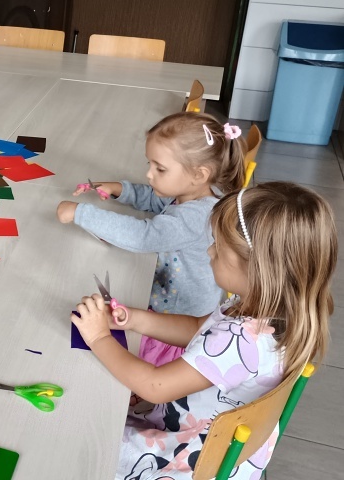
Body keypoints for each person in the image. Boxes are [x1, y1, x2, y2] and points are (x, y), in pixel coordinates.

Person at [72, 182, 336, 479]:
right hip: (219, 442)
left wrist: (98, 337)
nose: (209, 251)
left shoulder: (240, 340)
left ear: (258, 270)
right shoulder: (271, 309)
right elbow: (199, 328)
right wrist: (135, 320)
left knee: (83, 440)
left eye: (219, 248)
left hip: (190, 457)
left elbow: (155, 386)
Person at [57, 112, 245, 365]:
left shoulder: (195, 218)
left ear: (199, 174)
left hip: (176, 324)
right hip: (168, 304)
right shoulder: (197, 192)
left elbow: (143, 236)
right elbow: (156, 199)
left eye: (160, 169)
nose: (149, 174)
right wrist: (118, 189)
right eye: (150, 164)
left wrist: (80, 213)